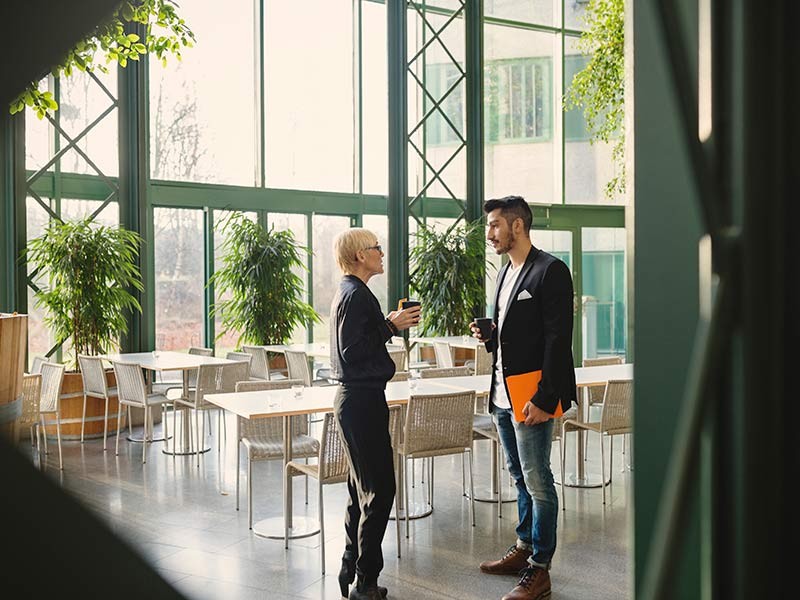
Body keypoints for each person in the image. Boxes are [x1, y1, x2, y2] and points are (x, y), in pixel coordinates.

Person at [472, 196, 577, 600]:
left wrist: (543, 396)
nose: (490, 233)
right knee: (519, 478)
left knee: (539, 481)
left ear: (518, 226)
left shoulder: (551, 271)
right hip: (501, 395)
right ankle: (524, 546)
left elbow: (557, 340)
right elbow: (514, 334)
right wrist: (490, 336)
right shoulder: (503, 273)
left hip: (531, 396)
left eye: (496, 225)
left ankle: (540, 569)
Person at [329, 228, 421, 600]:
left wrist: (388, 325)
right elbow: (353, 350)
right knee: (381, 491)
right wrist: (390, 325)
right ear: (358, 256)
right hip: (361, 400)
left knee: (360, 489)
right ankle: (365, 583)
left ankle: (351, 564)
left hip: (359, 400)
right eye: (375, 248)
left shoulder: (352, 292)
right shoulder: (354, 294)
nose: (382, 253)